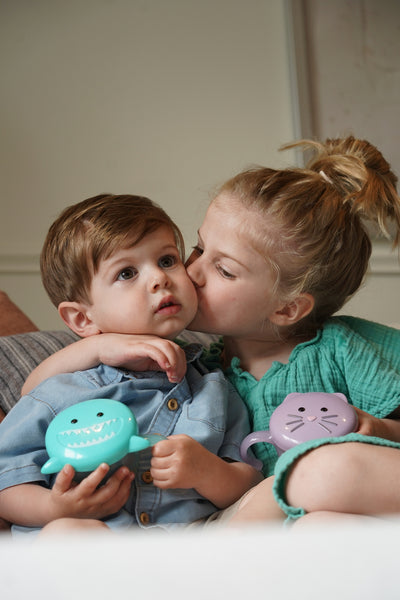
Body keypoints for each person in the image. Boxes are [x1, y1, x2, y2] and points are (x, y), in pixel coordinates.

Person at [22, 136, 400, 526]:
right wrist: (103, 347)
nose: (190, 272)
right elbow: (34, 391)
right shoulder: (193, 367)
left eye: (224, 269)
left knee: (320, 472)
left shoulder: (341, 348)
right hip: (278, 524)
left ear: (286, 307)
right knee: (315, 524)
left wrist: (379, 428)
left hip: (348, 483)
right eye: (199, 249)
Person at [0, 194, 261, 536]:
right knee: (64, 535)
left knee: (269, 500)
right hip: (101, 543)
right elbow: (6, 480)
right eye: (127, 272)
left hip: (189, 542)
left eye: (167, 260)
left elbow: (248, 480)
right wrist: (54, 507)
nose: (159, 278)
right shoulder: (64, 390)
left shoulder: (214, 386)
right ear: (81, 318)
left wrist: (207, 471)